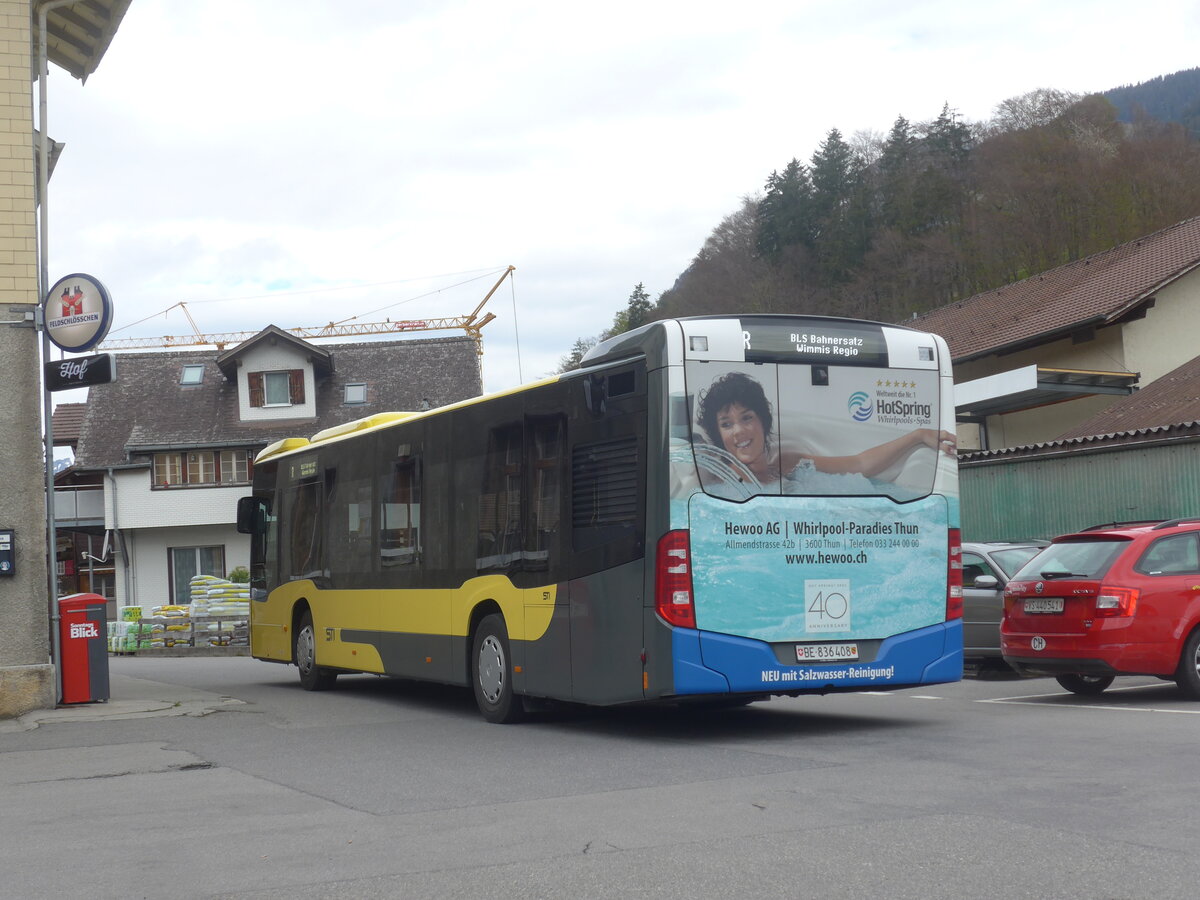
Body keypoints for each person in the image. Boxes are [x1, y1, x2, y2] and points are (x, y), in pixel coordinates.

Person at [695, 371, 955, 489]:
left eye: (747, 417)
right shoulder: (717, 484)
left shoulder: (788, 465)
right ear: (718, 435)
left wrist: (917, 435)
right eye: (726, 424)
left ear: (763, 421)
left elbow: (860, 464)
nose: (738, 431)